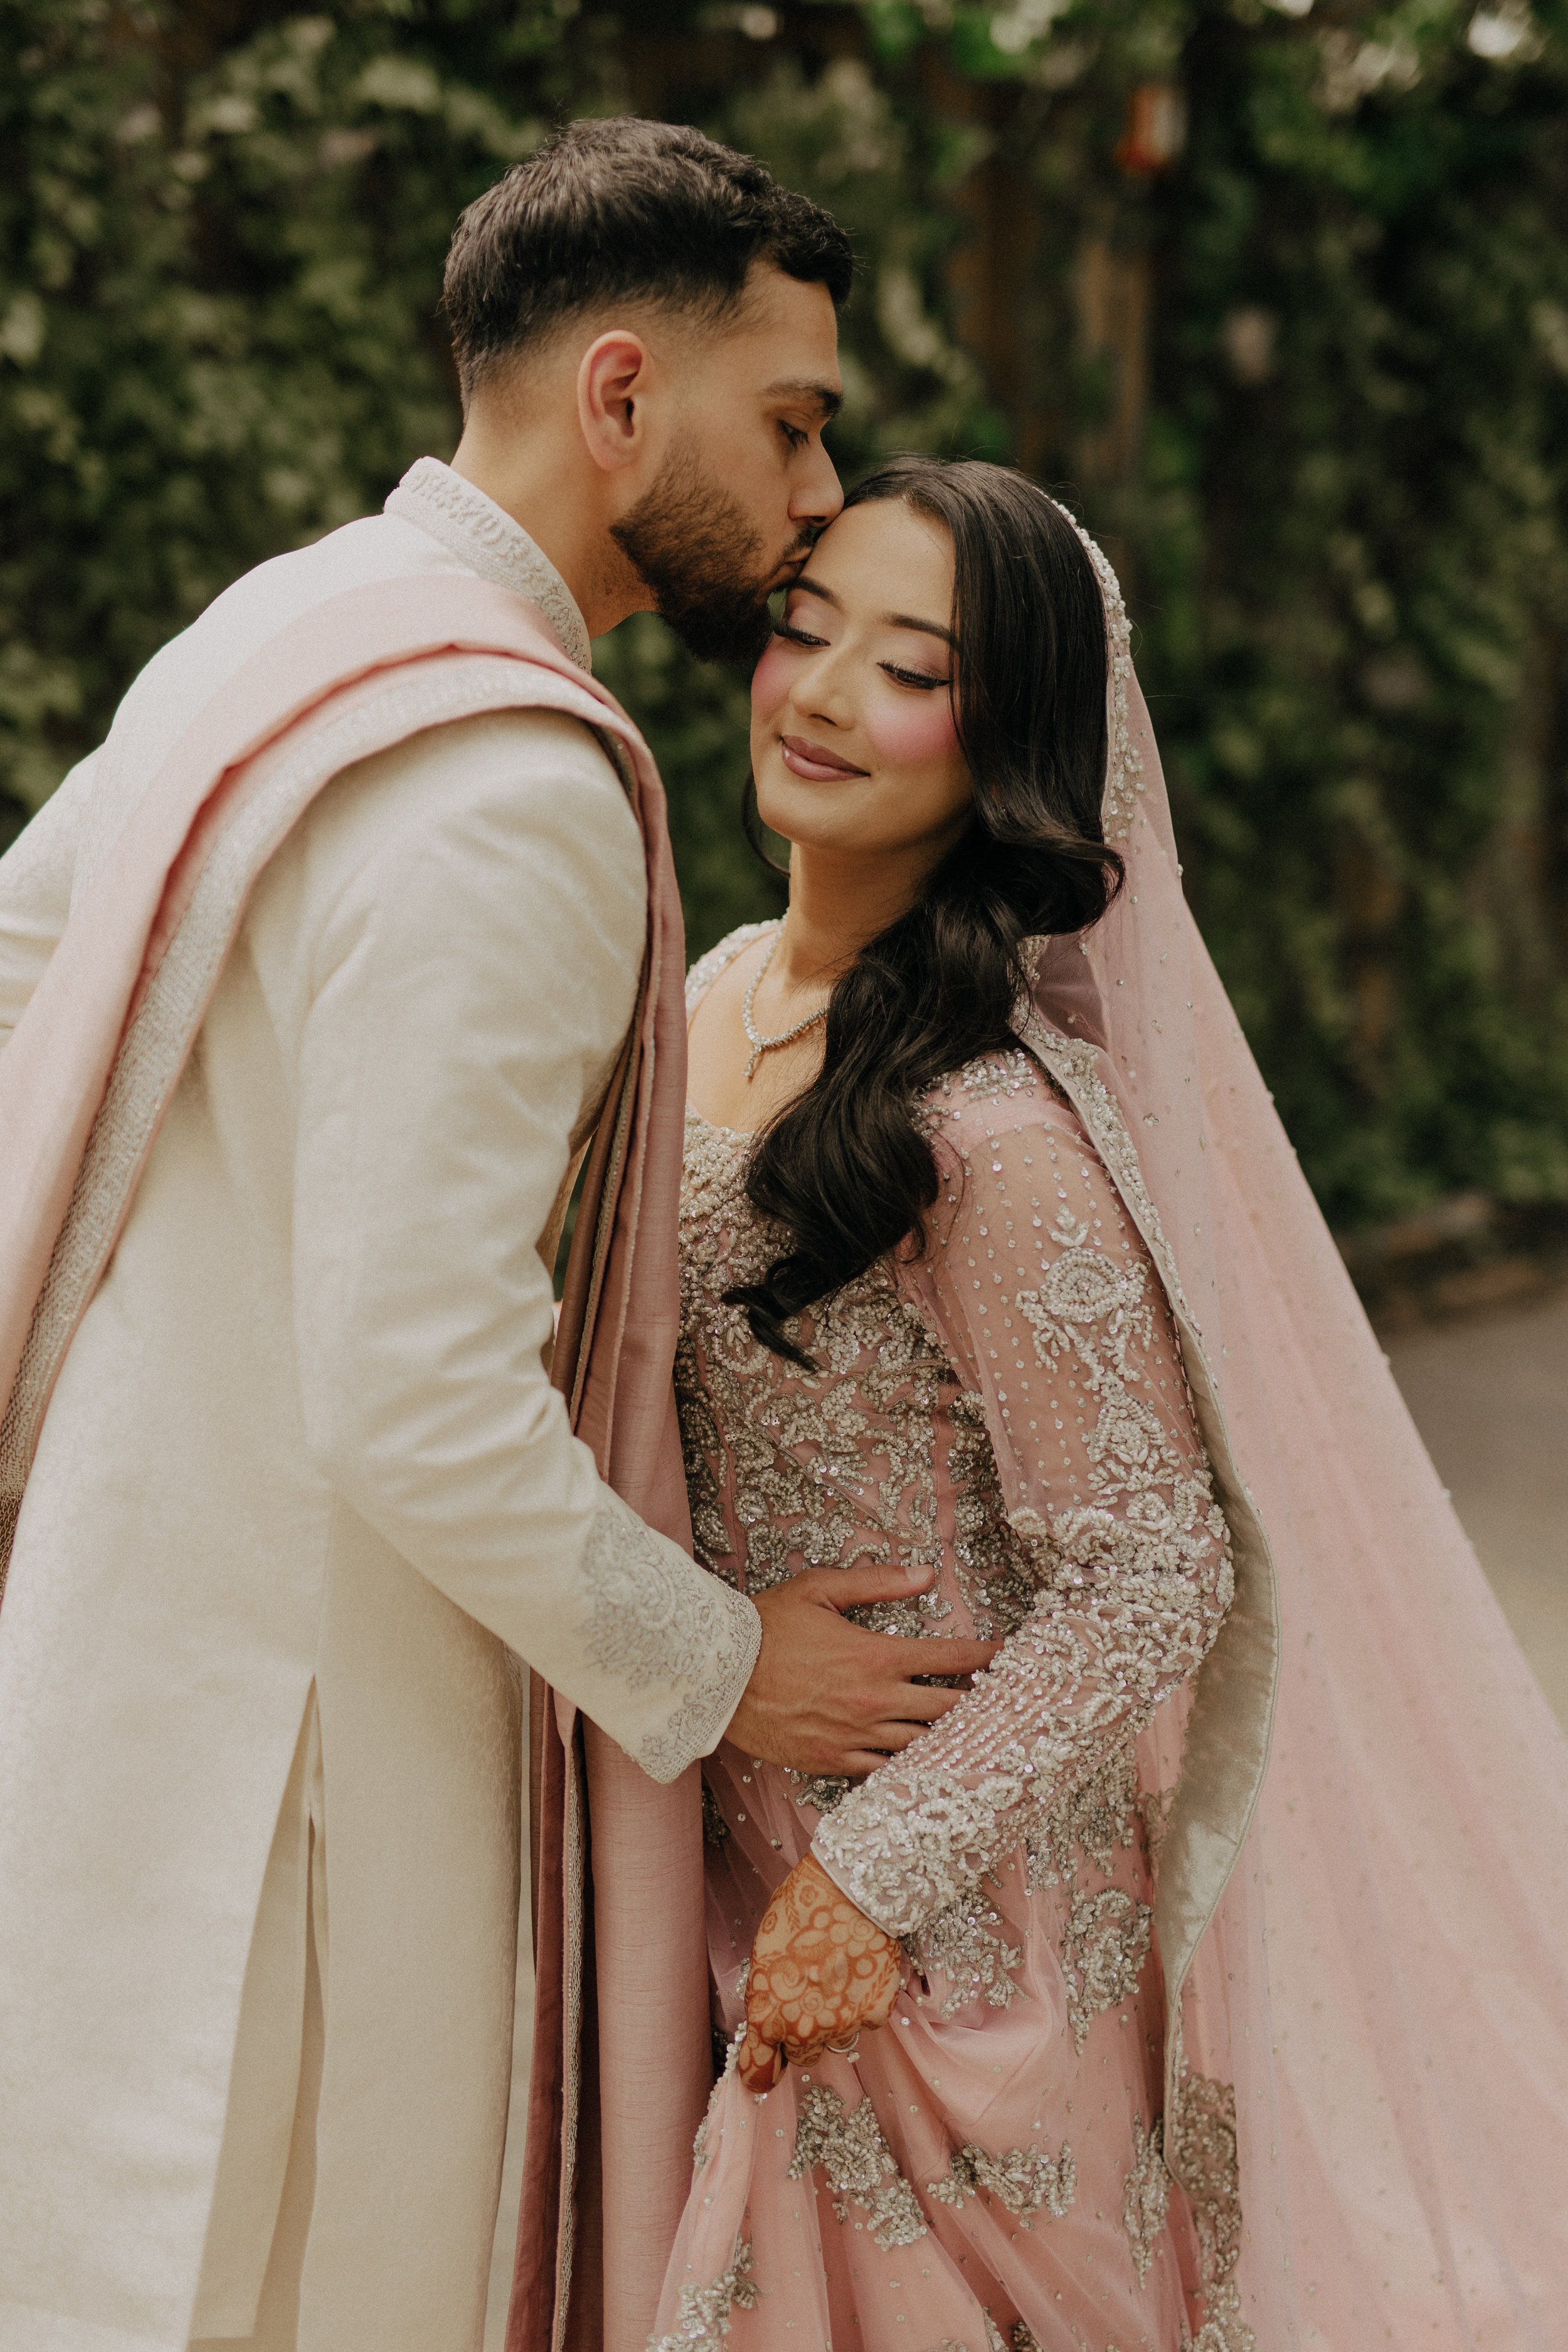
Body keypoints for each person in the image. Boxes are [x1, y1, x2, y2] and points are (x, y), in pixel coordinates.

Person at [0, 125, 1000, 2352]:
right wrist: (722, 1664)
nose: (818, 491)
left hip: (111, 1632)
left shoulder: (282, 625)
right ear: (619, 393)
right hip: (311, 1761)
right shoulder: (514, 791)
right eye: (792, 420)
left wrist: (149, 1358)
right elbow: (415, 1393)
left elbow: (19, 993)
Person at [652, 456, 1568, 2351]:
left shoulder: (983, 1130)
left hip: (944, 1940)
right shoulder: (708, 997)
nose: (822, 694)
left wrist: (873, 1880)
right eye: (807, 630)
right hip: (713, 1842)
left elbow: (1153, 1574)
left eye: (911, 668)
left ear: (1007, 748)